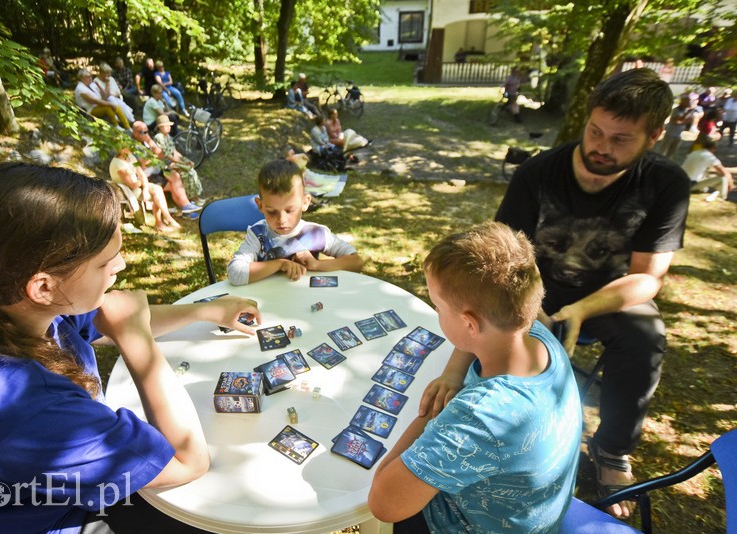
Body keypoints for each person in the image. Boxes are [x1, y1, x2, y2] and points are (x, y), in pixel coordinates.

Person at [0, 162, 261, 533]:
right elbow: (187, 462)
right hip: (53, 520)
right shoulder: (26, 409)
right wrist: (136, 339)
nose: (121, 266)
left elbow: (107, 317)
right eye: (106, 262)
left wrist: (207, 310)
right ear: (42, 287)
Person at [494, 67, 690, 517]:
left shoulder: (667, 184)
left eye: (621, 139)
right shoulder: (538, 171)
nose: (601, 147)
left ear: (655, 135)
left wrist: (581, 309)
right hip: (533, 288)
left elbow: (648, 277)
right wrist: (532, 303)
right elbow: (506, 252)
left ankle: (612, 448)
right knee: (490, 323)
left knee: (644, 340)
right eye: (595, 131)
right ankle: (505, 436)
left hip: (609, 297)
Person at [368, 222, 582, 532]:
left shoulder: (478, 418)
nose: (436, 312)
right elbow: (488, 330)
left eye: (438, 306)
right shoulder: (537, 336)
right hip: (536, 514)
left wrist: (433, 418)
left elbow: (384, 504)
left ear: (469, 324)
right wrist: (454, 373)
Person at [227, 159, 364, 286]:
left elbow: (356, 262)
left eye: (290, 210)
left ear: (305, 202)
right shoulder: (258, 235)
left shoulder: (316, 233)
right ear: (260, 205)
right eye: (272, 212)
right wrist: (280, 264)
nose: (282, 220)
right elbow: (235, 274)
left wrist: (317, 265)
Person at [131, 121, 203, 216]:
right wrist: (154, 155)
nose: (146, 134)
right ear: (135, 132)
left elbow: (160, 155)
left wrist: (149, 141)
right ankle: (186, 207)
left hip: (156, 171)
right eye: (143, 132)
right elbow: (144, 164)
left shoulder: (147, 141)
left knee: (175, 176)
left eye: (147, 131)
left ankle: (186, 207)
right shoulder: (133, 145)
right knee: (172, 184)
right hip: (146, 176)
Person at [109, 147, 181, 233]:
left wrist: (146, 189)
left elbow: (141, 174)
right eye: (127, 146)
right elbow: (133, 185)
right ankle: (164, 221)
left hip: (137, 185)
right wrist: (142, 181)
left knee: (157, 189)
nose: (131, 148)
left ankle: (164, 221)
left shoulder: (130, 156)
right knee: (157, 192)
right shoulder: (118, 164)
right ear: (120, 148)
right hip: (126, 191)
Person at [152, 115, 204, 203]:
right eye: (166, 125)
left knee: (192, 171)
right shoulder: (159, 137)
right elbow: (167, 155)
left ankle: (196, 196)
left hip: (172, 162)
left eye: (169, 125)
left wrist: (186, 160)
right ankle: (190, 198)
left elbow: (175, 151)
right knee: (187, 174)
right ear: (160, 127)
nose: (169, 127)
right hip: (165, 165)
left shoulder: (167, 136)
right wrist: (181, 163)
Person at [655, 93, 701, 158]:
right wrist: (685, 119)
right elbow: (676, 121)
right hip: (670, 133)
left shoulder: (687, 110)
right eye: (688, 101)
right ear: (683, 101)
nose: (689, 103)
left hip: (678, 134)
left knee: (671, 152)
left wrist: (684, 120)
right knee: (663, 150)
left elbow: (688, 121)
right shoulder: (677, 109)